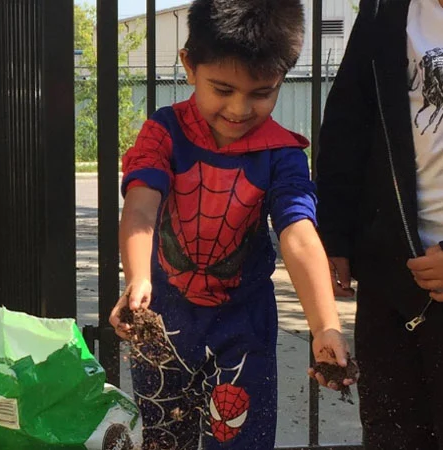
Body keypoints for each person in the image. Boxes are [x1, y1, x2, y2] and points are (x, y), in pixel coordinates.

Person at [109, 0, 355, 448]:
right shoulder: (162, 133)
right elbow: (141, 206)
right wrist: (137, 279)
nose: (239, 109)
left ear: (282, 77)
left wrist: (325, 327)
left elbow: (298, 235)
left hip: (245, 327)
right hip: (161, 320)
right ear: (188, 64)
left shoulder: (282, 153)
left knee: (241, 439)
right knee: (163, 439)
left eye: (261, 93)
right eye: (222, 88)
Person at [315, 0, 443, 448]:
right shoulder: (384, 11)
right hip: (392, 278)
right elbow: (346, 125)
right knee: (393, 432)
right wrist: (336, 238)